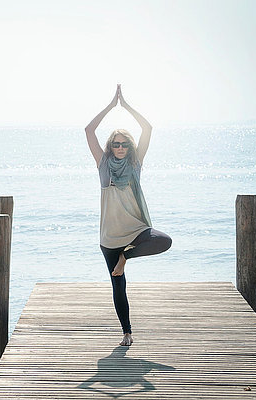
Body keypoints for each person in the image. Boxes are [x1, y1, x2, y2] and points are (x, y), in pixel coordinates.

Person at [85, 84, 172, 346]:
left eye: (124, 144)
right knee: (118, 285)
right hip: (111, 236)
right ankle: (127, 333)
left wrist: (128, 106)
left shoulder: (135, 164)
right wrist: (111, 106)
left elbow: (147, 129)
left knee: (163, 240)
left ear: (129, 146)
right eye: (115, 144)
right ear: (110, 146)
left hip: (136, 229)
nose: (120, 147)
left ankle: (126, 256)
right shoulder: (103, 165)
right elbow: (89, 131)